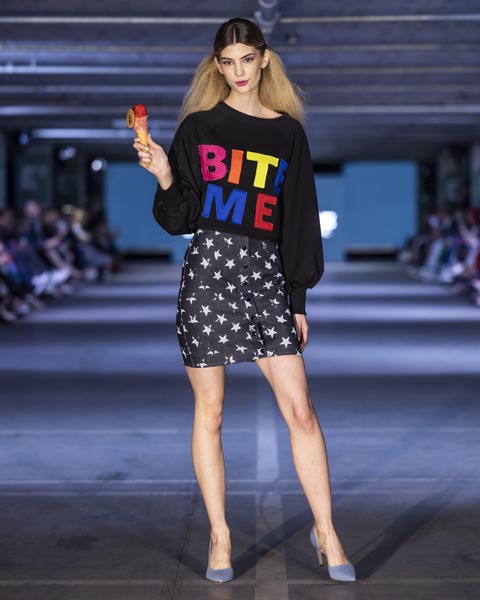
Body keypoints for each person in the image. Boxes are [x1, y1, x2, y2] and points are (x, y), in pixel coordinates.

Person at [133, 17, 356, 584]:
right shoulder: (198, 128)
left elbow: (299, 217)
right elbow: (180, 217)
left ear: (264, 59)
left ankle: (327, 531)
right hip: (208, 274)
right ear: (217, 66)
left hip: (266, 278)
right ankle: (220, 535)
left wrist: (297, 297)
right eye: (227, 63)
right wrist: (164, 174)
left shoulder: (287, 134)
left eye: (247, 60)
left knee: (301, 410)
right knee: (210, 412)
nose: (238, 72)